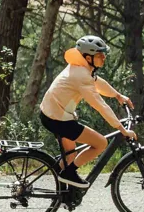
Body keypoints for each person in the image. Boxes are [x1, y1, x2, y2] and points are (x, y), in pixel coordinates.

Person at [39, 34, 134, 183]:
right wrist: (123, 130)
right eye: (100, 55)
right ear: (88, 57)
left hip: (52, 114)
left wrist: (118, 95)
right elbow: (101, 106)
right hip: (57, 119)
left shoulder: (81, 68)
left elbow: (98, 83)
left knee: (70, 155)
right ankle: (68, 174)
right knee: (100, 143)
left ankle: (63, 189)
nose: (104, 58)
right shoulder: (81, 76)